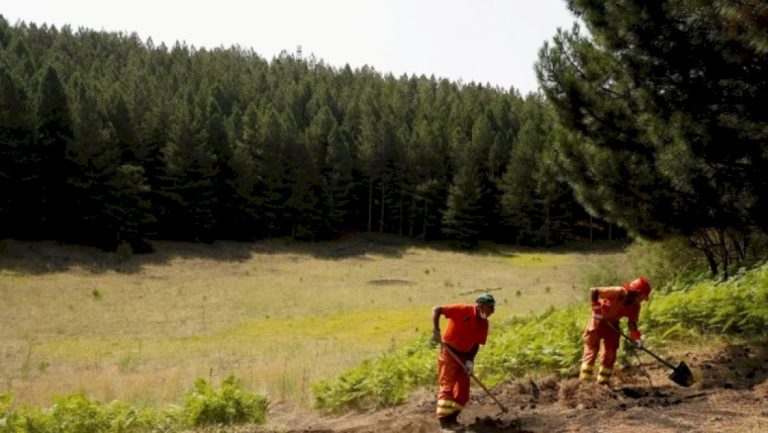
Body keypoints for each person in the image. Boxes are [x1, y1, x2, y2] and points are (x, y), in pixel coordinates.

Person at [431, 293, 496, 430]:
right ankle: (444, 425)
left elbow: (477, 344)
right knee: (447, 388)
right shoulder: (462, 309)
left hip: (465, 357)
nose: (492, 311)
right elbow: (437, 310)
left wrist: (470, 362)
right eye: (490, 307)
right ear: (480, 306)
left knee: (463, 393)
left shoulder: (484, 324)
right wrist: (436, 331)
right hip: (449, 353)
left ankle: (452, 420)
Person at [579, 276, 651, 386]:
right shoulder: (618, 292)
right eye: (642, 297)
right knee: (591, 352)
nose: (642, 300)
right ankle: (584, 384)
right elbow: (594, 291)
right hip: (598, 321)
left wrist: (636, 337)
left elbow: (632, 323)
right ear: (637, 292)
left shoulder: (635, 305)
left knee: (610, 354)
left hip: (613, 324)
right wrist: (597, 310)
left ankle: (602, 384)